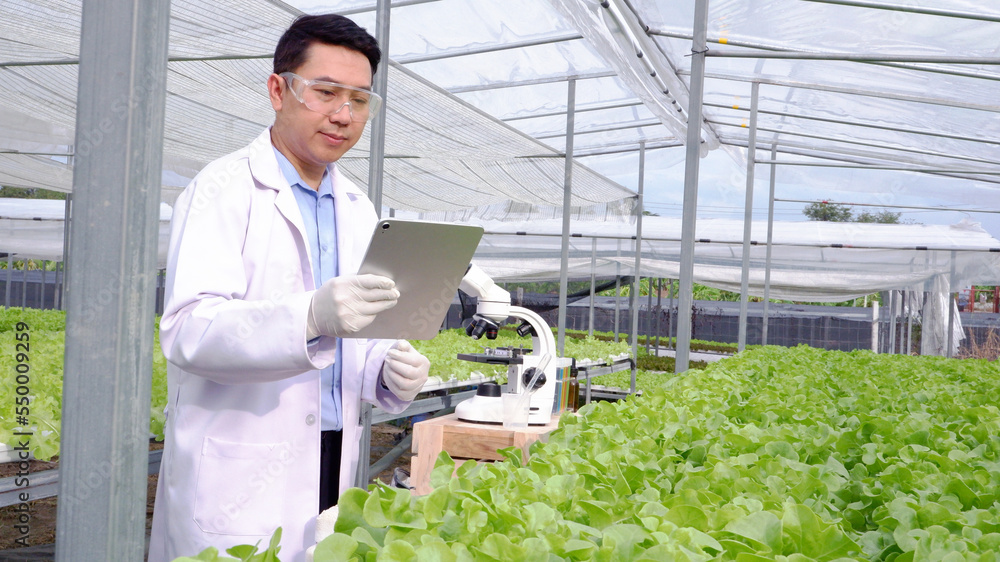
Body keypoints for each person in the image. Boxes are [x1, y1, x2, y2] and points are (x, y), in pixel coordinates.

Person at [148, 14, 429, 562]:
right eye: (326, 92)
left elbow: (352, 335)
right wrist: (308, 317)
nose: (344, 115)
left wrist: (384, 369)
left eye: (360, 100)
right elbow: (188, 330)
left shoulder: (358, 208)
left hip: (333, 457)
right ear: (279, 90)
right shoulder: (224, 188)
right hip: (241, 472)